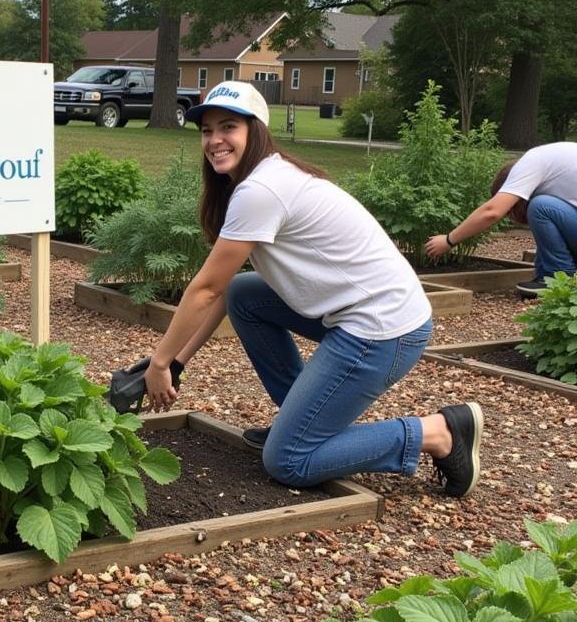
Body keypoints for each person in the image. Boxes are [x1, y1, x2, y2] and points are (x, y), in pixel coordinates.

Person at [142, 82, 483, 498]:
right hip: (364, 313)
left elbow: (205, 289)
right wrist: (177, 360)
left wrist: (159, 364)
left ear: (256, 131)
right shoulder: (261, 179)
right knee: (246, 295)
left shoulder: (260, 190)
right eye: (206, 130)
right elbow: (225, 288)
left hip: (383, 328)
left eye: (227, 127)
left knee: (288, 460)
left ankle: (438, 432)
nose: (214, 140)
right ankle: (302, 420)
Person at [423, 142, 577, 297]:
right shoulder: (553, 169)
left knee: (540, 207)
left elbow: (492, 212)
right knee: (544, 209)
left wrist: (449, 240)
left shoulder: (530, 163)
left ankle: (559, 279)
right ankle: (550, 278)